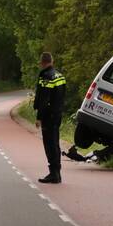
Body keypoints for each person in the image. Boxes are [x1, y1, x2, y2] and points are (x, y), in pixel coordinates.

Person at [33, 52, 66, 183]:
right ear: (52, 61)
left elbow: (44, 99)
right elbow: (62, 96)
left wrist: (39, 117)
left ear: (42, 63)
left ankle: (53, 173)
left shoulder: (46, 77)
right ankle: (57, 173)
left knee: (49, 144)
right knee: (55, 142)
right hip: (57, 114)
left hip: (48, 116)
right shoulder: (60, 76)